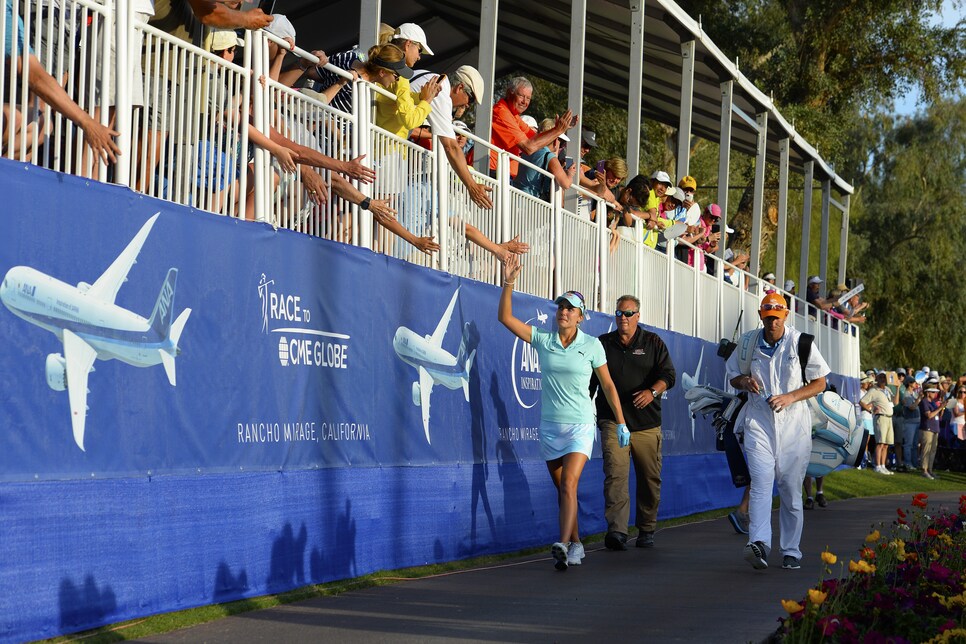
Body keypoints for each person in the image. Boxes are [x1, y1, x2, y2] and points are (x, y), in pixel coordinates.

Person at [498, 255, 627, 571]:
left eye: (570, 308)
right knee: (563, 490)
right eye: (561, 307)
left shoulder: (593, 345)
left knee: (569, 484)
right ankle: (578, 544)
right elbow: (505, 318)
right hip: (550, 427)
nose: (564, 312)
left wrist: (621, 423)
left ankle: (562, 544)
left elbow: (608, 386)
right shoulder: (544, 340)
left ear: (581, 316)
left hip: (581, 425)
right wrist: (509, 282)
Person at [726, 292, 829, 571]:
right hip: (759, 422)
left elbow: (820, 383)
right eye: (768, 316)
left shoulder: (801, 342)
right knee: (760, 482)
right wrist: (745, 381)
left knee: (790, 489)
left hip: (794, 425)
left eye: (777, 316)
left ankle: (791, 550)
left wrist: (790, 397)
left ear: (786, 316)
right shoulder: (748, 343)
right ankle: (759, 544)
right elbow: (733, 374)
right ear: (761, 316)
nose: (773, 322)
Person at [590, 295, 675, 550]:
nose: (623, 318)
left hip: (647, 424)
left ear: (638, 316)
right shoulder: (602, 344)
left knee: (649, 478)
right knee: (615, 475)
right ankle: (617, 531)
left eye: (628, 313)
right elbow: (590, 384)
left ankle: (647, 527)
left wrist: (653, 392)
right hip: (613, 422)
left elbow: (669, 375)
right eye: (619, 313)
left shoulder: (652, 342)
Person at [860, 372, 895, 475]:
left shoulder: (887, 390)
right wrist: (871, 410)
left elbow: (896, 402)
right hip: (881, 417)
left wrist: (897, 388)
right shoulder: (873, 390)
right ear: (877, 379)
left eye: (884, 377)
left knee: (886, 444)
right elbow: (862, 402)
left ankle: (883, 465)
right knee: (880, 443)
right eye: (881, 377)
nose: (883, 379)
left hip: (889, 418)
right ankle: (878, 465)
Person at [919, 385, 943, 479]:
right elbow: (929, 415)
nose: (935, 394)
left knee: (933, 450)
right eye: (933, 392)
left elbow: (938, 415)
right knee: (926, 450)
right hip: (927, 428)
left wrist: (942, 408)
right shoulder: (924, 402)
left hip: (935, 428)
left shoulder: (933, 402)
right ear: (928, 392)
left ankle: (930, 470)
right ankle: (924, 470)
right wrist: (940, 407)